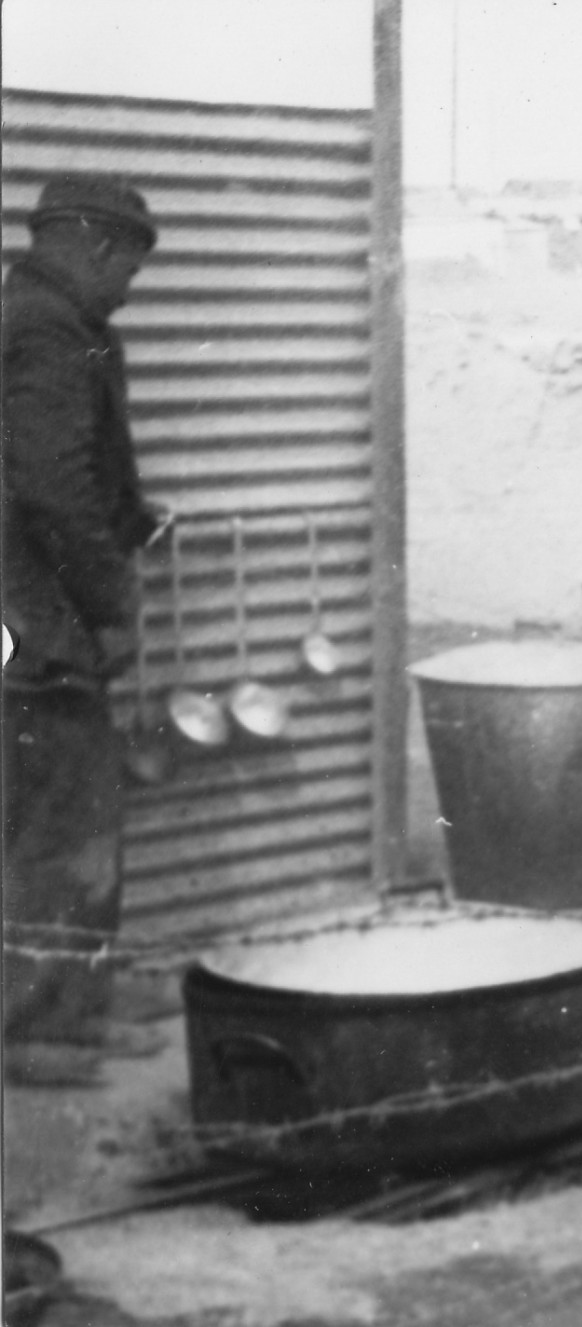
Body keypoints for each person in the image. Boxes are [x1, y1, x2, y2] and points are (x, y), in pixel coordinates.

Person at [3, 174, 170, 1087]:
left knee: (64, 815)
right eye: (130, 267)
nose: (129, 287)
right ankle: (42, 1027)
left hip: (34, 616)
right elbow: (50, 486)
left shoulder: (63, 323)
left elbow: (87, 464)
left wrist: (136, 516)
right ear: (93, 247)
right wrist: (111, 604)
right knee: (62, 823)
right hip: (34, 625)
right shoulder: (43, 328)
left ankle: (77, 998)